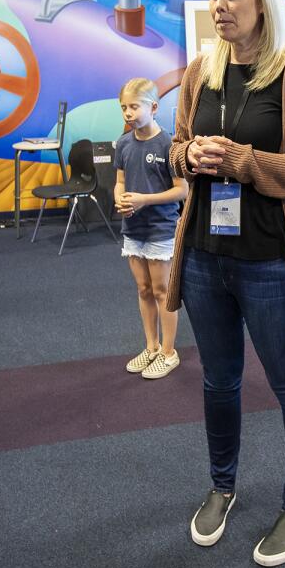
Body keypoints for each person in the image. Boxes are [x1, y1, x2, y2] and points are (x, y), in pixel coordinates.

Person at [165, 0, 285, 567]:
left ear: (261, 1)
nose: (219, 6)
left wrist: (245, 162)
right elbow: (175, 149)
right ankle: (222, 487)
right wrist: (190, 157)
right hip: (204, 259)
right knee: (219, 382)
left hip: (272, 261)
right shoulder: (200, 71)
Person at [114, 77, 188, 380]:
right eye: (123, 108)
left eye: (134, 107)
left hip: (161, 229)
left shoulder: (168, 144)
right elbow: (119, 183)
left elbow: (182, 190)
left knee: (162, 291)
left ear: (153, 107)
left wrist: (145, 199)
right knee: (143, 289)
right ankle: (152, 346)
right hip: (133, 229)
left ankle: (169, 352)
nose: (128, 113)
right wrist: (121, 200)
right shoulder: (123, 143)